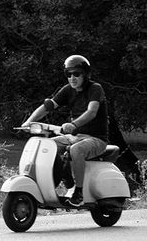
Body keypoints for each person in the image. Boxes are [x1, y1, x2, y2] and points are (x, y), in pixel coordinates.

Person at [22, 54, 109, 205]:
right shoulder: (68, 90)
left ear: (85, 74)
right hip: (75, 136)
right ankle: (68, 182)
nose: (72, 78)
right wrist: (28, 122)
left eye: (76, 74)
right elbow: (47, 107)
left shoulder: (95, 89)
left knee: (76, 150)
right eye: (69, 74)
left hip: (96, 139)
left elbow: (91, 112)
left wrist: (73, 125)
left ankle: (79, 192)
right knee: (47, 146)